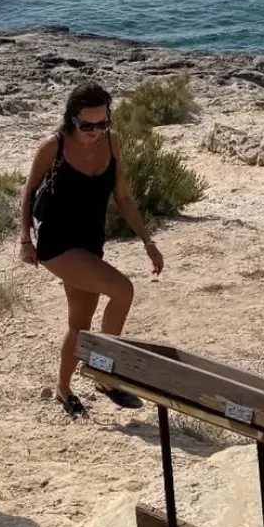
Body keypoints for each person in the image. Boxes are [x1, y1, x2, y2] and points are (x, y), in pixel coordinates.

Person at [18, 81, 164, 418]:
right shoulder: (53, 146)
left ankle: (63, 389)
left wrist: (148, 241)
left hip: (91, 243)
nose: (95, 132)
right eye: (87, 126)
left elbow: (122, 197)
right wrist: (25, 239)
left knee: (79, 324)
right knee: (123, 290)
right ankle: (104, 374)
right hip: (58, 245)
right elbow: (28, 191)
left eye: (102, 123)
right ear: (72, 118)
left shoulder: (112, 143)